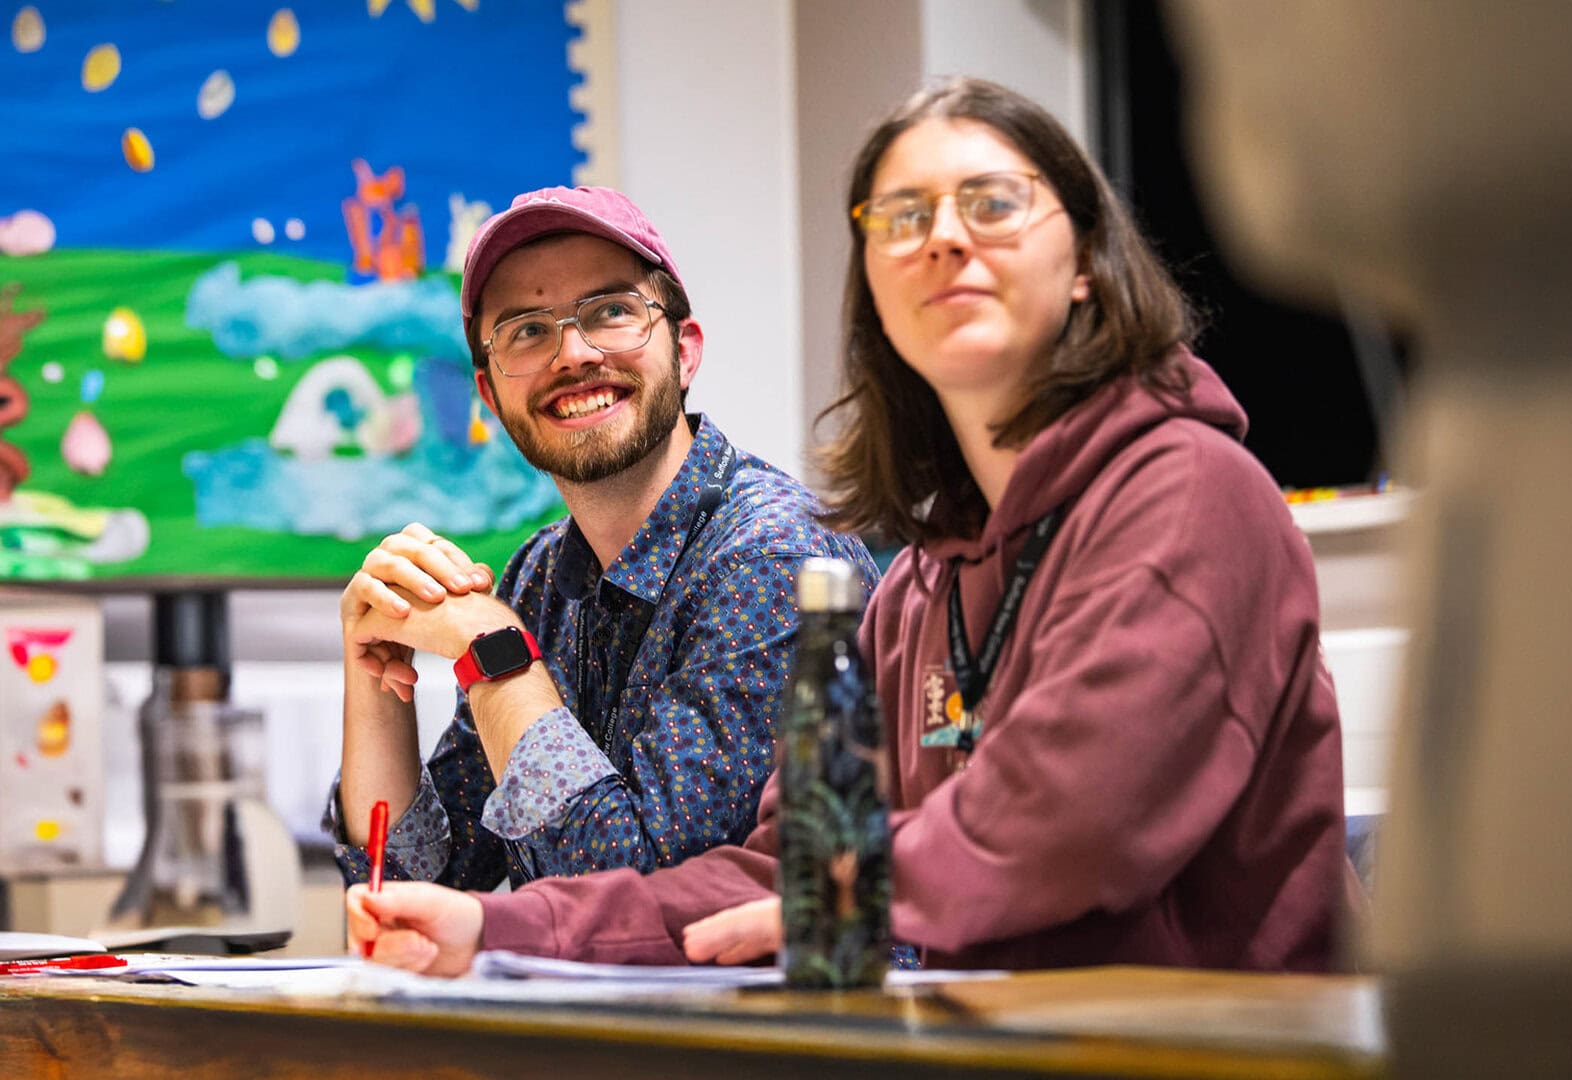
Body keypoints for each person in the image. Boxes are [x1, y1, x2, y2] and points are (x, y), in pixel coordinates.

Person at [347, 78, 1356, 974]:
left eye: (993, 203)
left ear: (1086, 259)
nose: (945, 238)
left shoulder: (1190, 493)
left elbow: (1066, 828)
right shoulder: (920, 580)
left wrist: (825, 883)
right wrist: (496, 930)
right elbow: (777, 870)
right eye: (904, 217)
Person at [325, 186, 878, 892]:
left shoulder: (780, 558)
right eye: (527, 329)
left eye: (611, 312)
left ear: (684, 350)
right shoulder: (539, 574)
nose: (573, 353)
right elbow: (412, 886)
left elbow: (635, 893)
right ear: (490, 396)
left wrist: (494, 652)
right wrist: (371, 669)